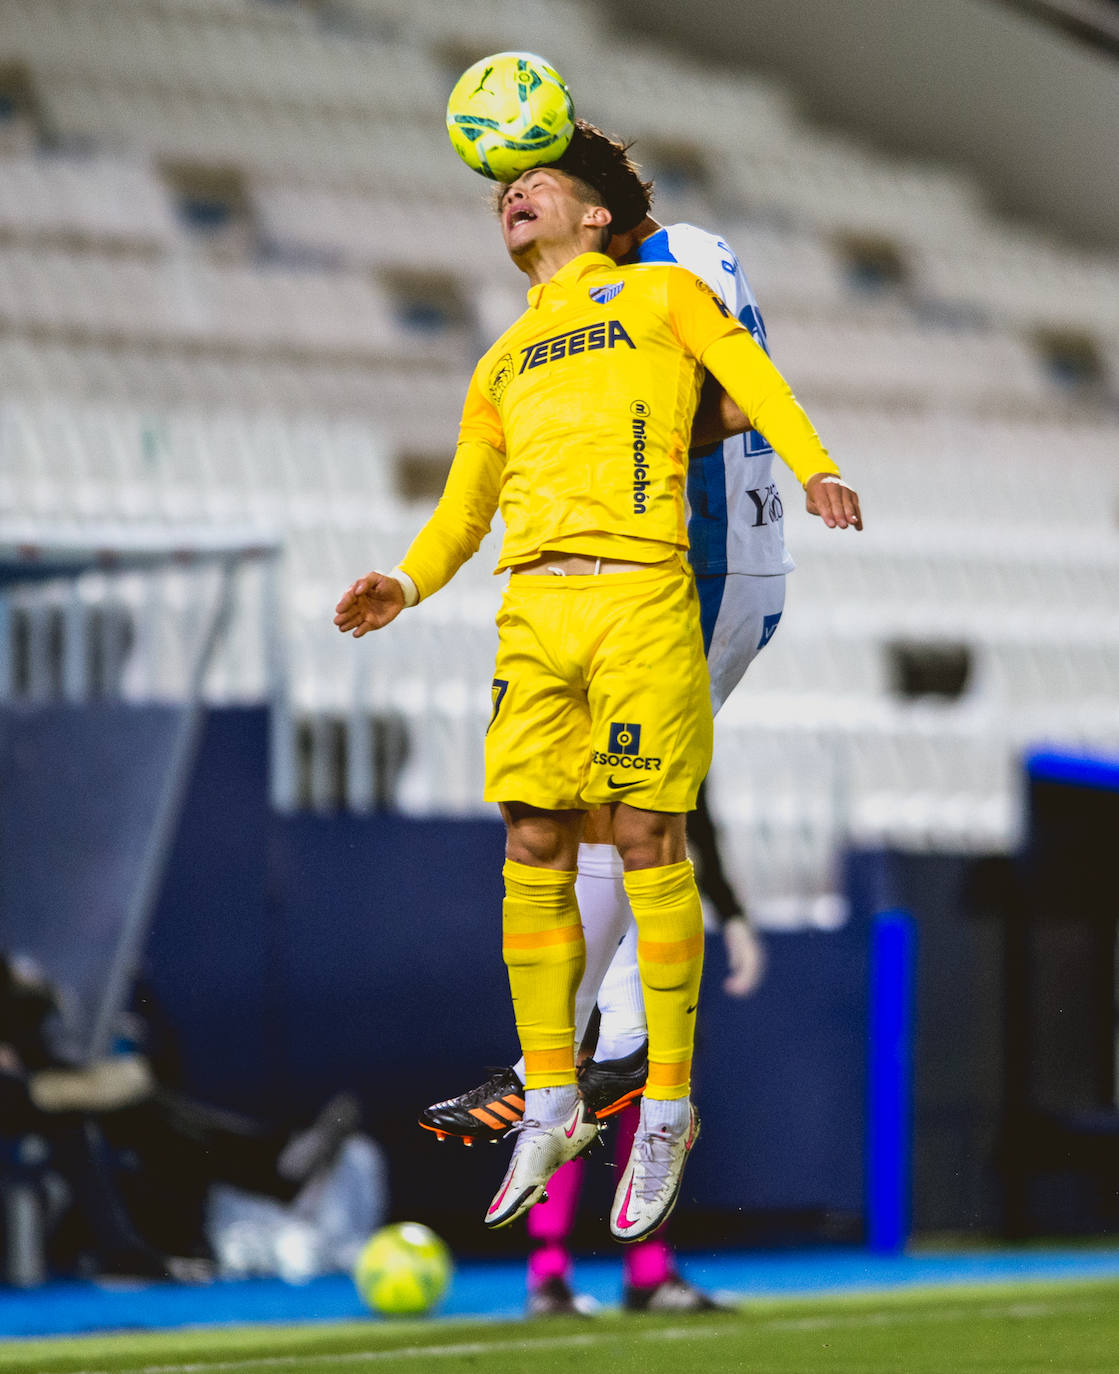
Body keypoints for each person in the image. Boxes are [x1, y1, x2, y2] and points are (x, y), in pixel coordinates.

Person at [334, 126, 860, 1244]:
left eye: (540, 182)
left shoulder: (661, 297)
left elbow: (752, 379)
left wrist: (812, 462)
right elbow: (465, 506)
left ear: (596, 221)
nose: (513, 193)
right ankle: (554, 1097)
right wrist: (407, 581)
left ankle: (664, 1102)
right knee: (532, 842)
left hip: (640, 595)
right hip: (533, 609)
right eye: (504, 189)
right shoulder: (501, 361)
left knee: (646, 837)